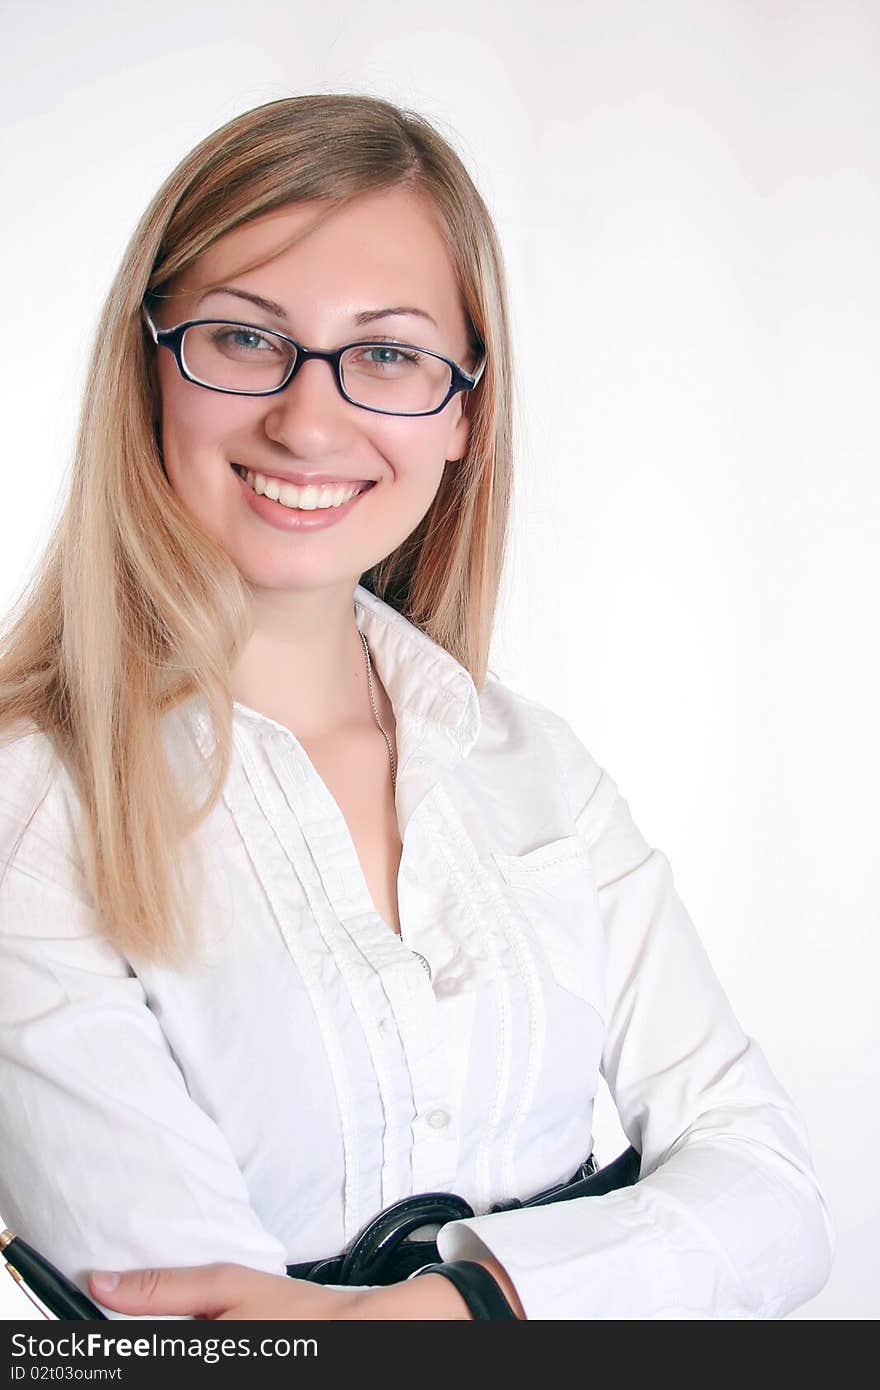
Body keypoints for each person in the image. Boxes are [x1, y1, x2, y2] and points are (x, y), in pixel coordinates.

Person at [0, 93, 833, 1322]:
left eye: (387, 354)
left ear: (463, 414)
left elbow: (777, 1200)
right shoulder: (37, 802)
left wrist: (458, 1310)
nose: (308, 417)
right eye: (243, 338)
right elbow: (189, 1329)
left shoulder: (534, 766)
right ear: (150, 366)